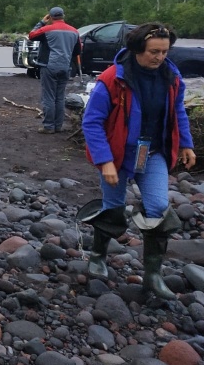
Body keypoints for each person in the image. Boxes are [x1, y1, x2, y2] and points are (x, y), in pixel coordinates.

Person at [80, 22, 196, 300]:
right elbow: (92, 122)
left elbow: (178, 110)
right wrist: (105, 161)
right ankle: (98, 255)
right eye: (154, 51)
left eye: (164, 51)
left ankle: (153, 275)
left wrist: (186, 144)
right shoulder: (111, 78)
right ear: (136, 49)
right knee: (114, 209)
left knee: (158, 209)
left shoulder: (172, 77)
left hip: (154, 153)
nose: (159, 57)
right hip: (119, 154)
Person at [28, 6, 81, 133]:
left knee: (49, 97)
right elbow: (78, 50)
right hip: (65, 67)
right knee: (60, 97)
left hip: (49, 67)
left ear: (50, 17)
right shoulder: (74, 31)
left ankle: (48, 126)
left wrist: (41, 22)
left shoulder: (47, 29)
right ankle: (58, 125)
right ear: (63, 16)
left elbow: (31, 35)